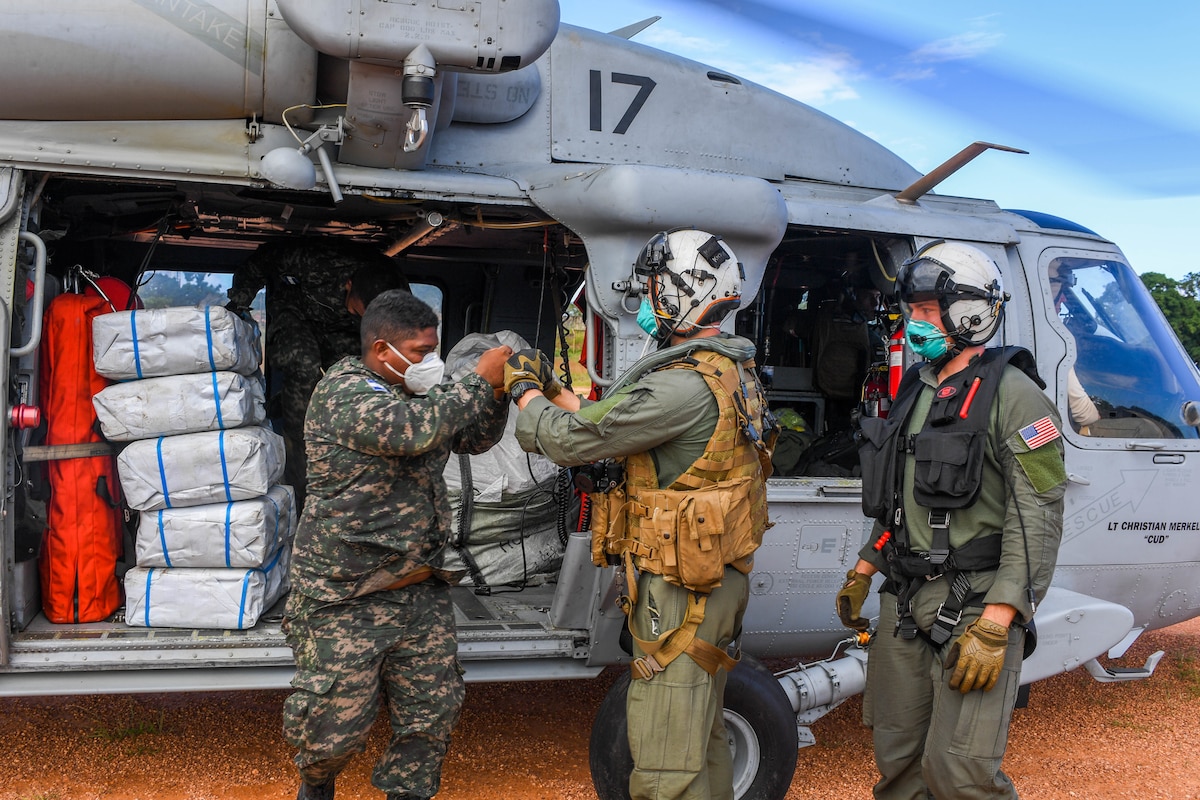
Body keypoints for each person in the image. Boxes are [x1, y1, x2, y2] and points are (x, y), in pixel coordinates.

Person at [507, 229, 776, 800]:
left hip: (681, 594)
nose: (648, 302)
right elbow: (619, 418)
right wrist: (557, 389)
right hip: (714, 583)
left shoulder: (681, 387)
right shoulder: (728, 371)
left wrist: (524, 392)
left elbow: (567, 440)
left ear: (686, 292)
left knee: (664, 760)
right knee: (702, 743)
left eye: (656, 289)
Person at [837, 241, 1068, 799]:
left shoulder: (1016, 397)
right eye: (911, 310)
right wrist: (866, 568)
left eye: (925, 311)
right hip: (904, 601)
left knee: (960, 774)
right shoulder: (915, 389)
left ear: (969, 310)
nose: (913, 323)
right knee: (898, 763)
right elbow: (899, 497)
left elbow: (1037, 513)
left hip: (975, 605)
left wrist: (1000, 617)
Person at [281, 289, 512, 800]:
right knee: (331, 732)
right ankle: (316, 786)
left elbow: (471, 437)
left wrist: (497, 394)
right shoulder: (345, 394)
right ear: (382, 350)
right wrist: (479, 381)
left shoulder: (415, 389)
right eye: (421, 351)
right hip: (349, 593)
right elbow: (414, 432)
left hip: (419, 586)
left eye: (434, 349)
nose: (430, 360)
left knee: (431, 716)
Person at [226, 238, 408, 506]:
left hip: (343, 333)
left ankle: (351, 483)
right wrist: (238, 305)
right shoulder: (312, 261)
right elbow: (263, 260)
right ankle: (300, 492)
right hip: (295, 314)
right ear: (348, 287)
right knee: (304, 370)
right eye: (359, 310)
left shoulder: (398, 297)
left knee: (356, 386)